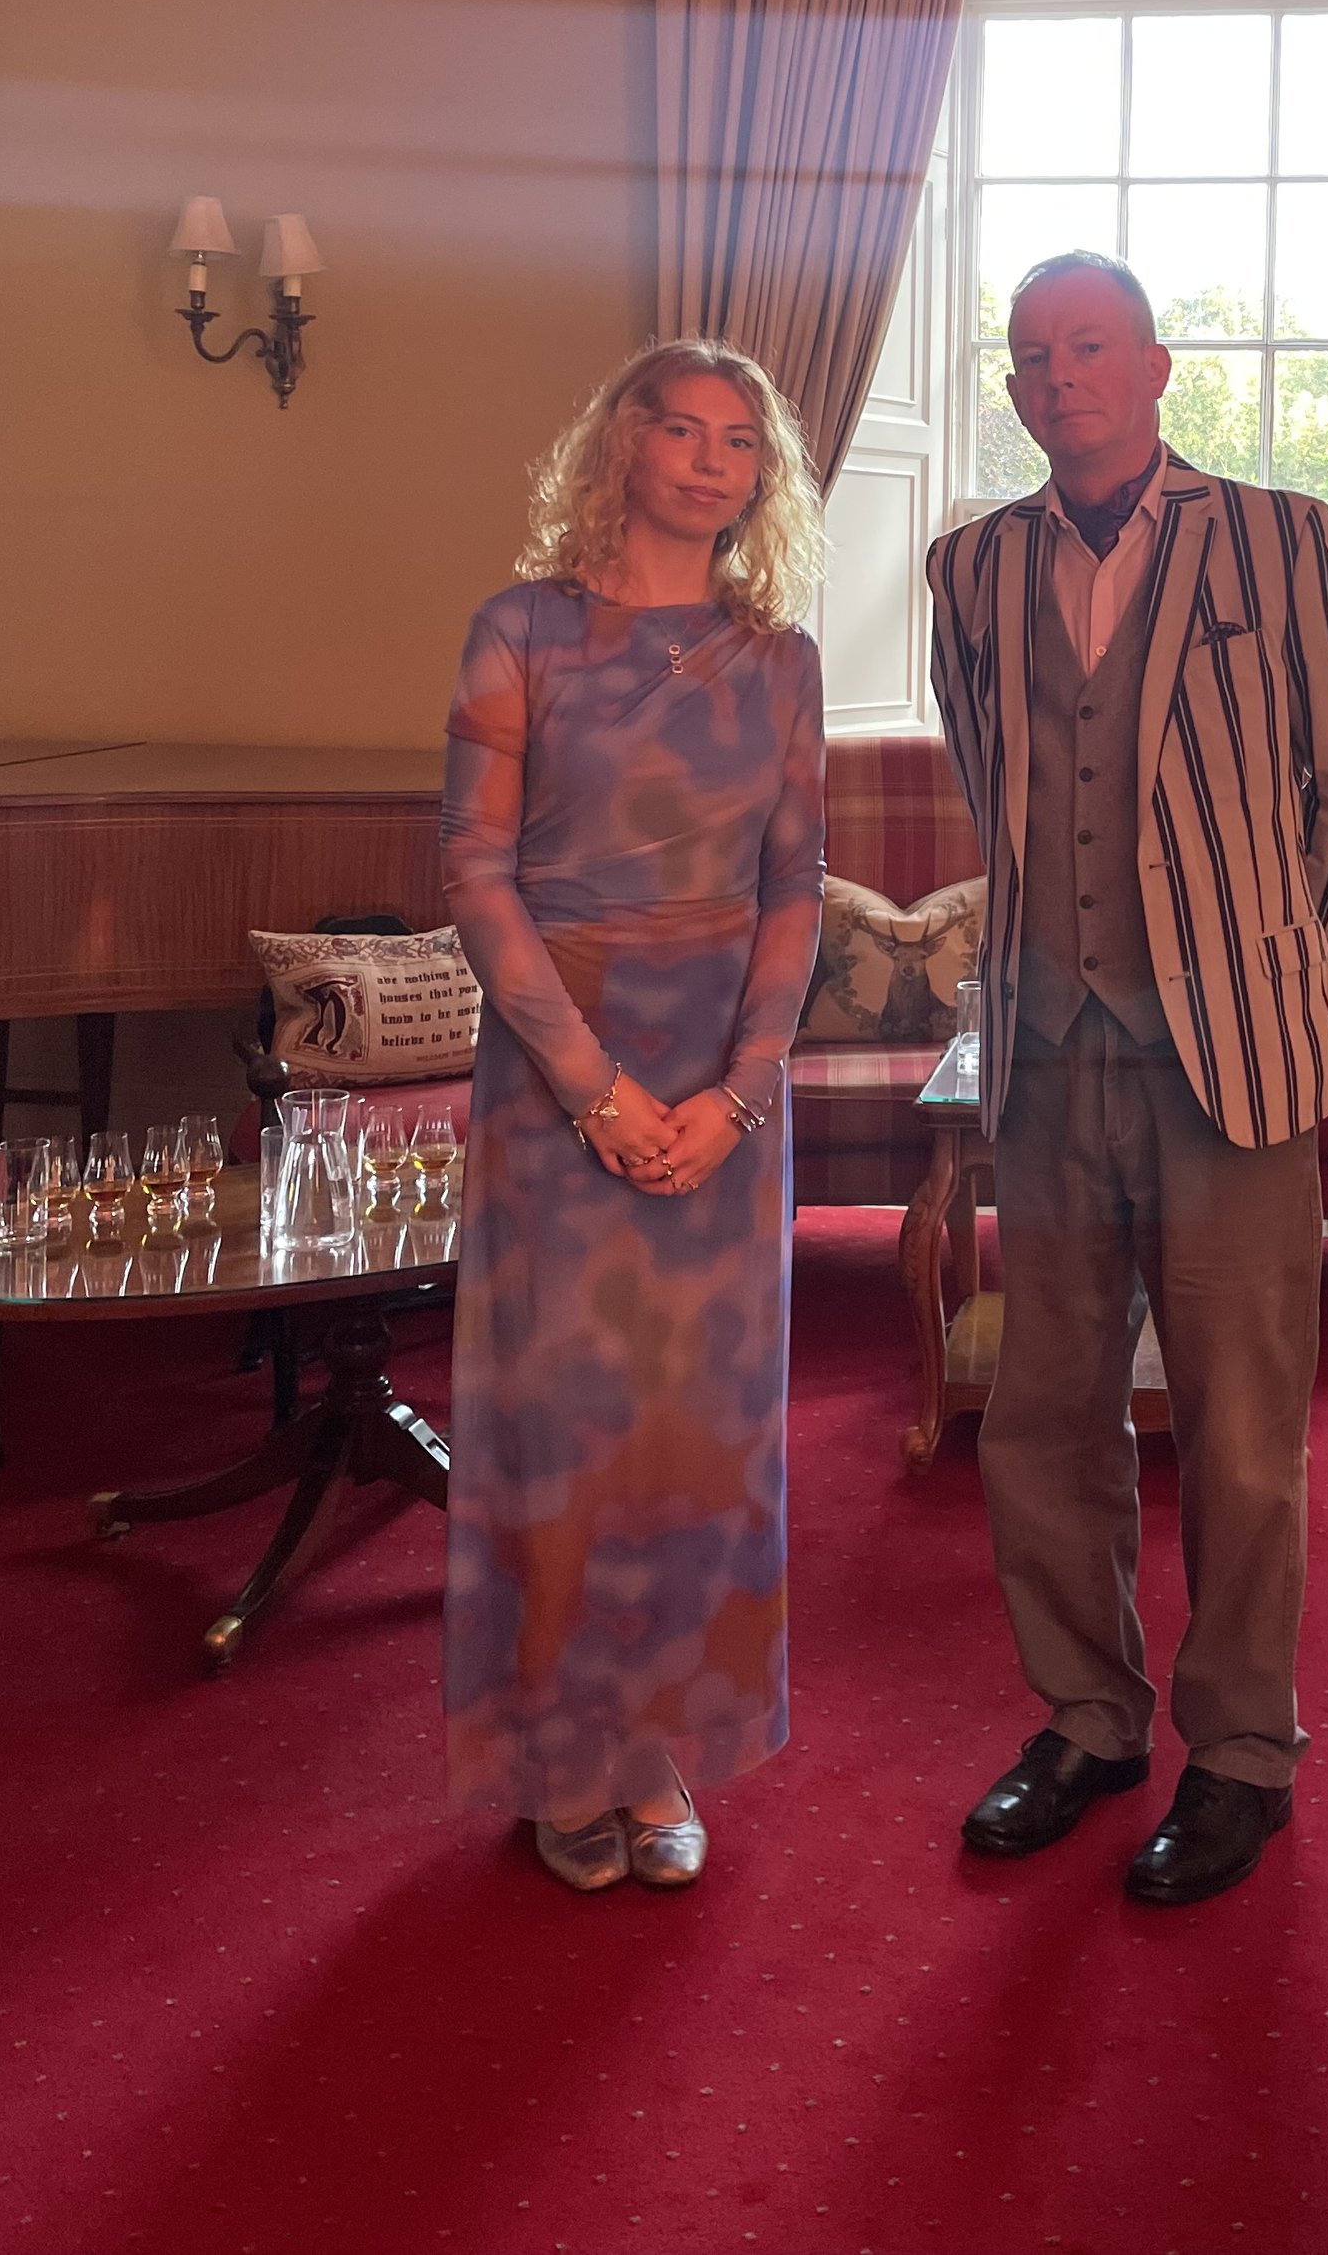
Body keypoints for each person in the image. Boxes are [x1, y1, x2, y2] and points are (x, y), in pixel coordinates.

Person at [927, 252, 1328, 1906]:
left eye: (1089, 345)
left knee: (1240, 1427)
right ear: (1013, 388)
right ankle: (1088, 1716)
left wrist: (1252, 936)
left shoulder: (1281, 537)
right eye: (1031, 355)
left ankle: (1244, 1753)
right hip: (1046, 1057)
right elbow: (992, 778)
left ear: (1154, 368)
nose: (1057, 375)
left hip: (1233, 1064)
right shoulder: (971, 566)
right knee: (1042, 1414)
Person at [440, 338, 826, 1893]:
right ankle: (561, 1754)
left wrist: (743, 1090)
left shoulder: (779, 659)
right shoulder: (518, 630)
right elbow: (474, 871)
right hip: (560, 1079)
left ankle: (657, 1746)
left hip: (725, 1091)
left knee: (694, 1436)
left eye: (740, 439)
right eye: (682, 427)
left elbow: (796, 886)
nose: (712, 457)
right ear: (623, 446)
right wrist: (592, 1085)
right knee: (571, 1432)